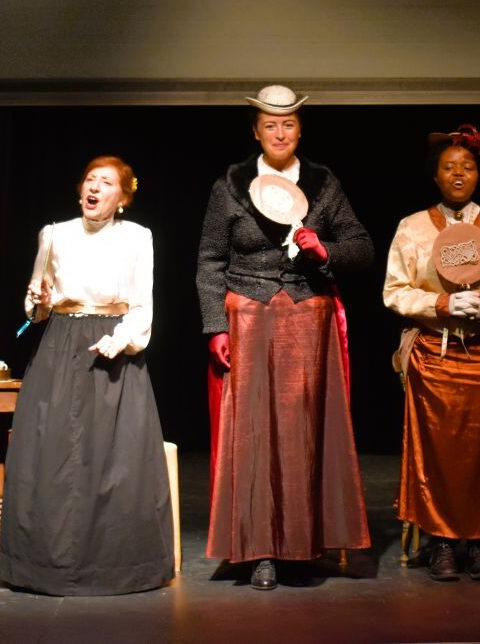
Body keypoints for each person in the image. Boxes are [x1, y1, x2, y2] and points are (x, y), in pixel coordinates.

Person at [197, 85, 372, 590]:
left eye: (289, 123)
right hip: (248, 313)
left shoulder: (323, 184)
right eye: (270, 124)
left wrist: (325, 252)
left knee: (301, 428)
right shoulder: (230, 185)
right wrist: (214, 325)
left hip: (306, 313)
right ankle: (259, 551)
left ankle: (302, 544)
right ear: (256, 130)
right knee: (252, 433)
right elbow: (209, 260)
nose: (280, 132)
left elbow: (361, 247)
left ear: (300, 129)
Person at [0, 156, 175, 595]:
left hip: (113, 343)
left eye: (107, 183)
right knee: (54, 451)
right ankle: (45, 565)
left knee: (114, 455)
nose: (95, 188)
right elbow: (36, 307)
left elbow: (141, 304)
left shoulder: (136, 237)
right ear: (80, 189)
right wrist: (37, 301)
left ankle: (118, 566)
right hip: (60, 343)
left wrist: (121, 341)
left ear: (123, 198)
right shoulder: (54, 234)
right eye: (90, 180)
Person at [383, 125, 480, 581]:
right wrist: (439, 303)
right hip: (437, 354)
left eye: (467, 167)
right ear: (435, 175)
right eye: (448, 167)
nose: (457, 174)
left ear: (479, 173)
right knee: (439, 452)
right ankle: (442, 542)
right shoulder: (412, 228)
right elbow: (395, 291)